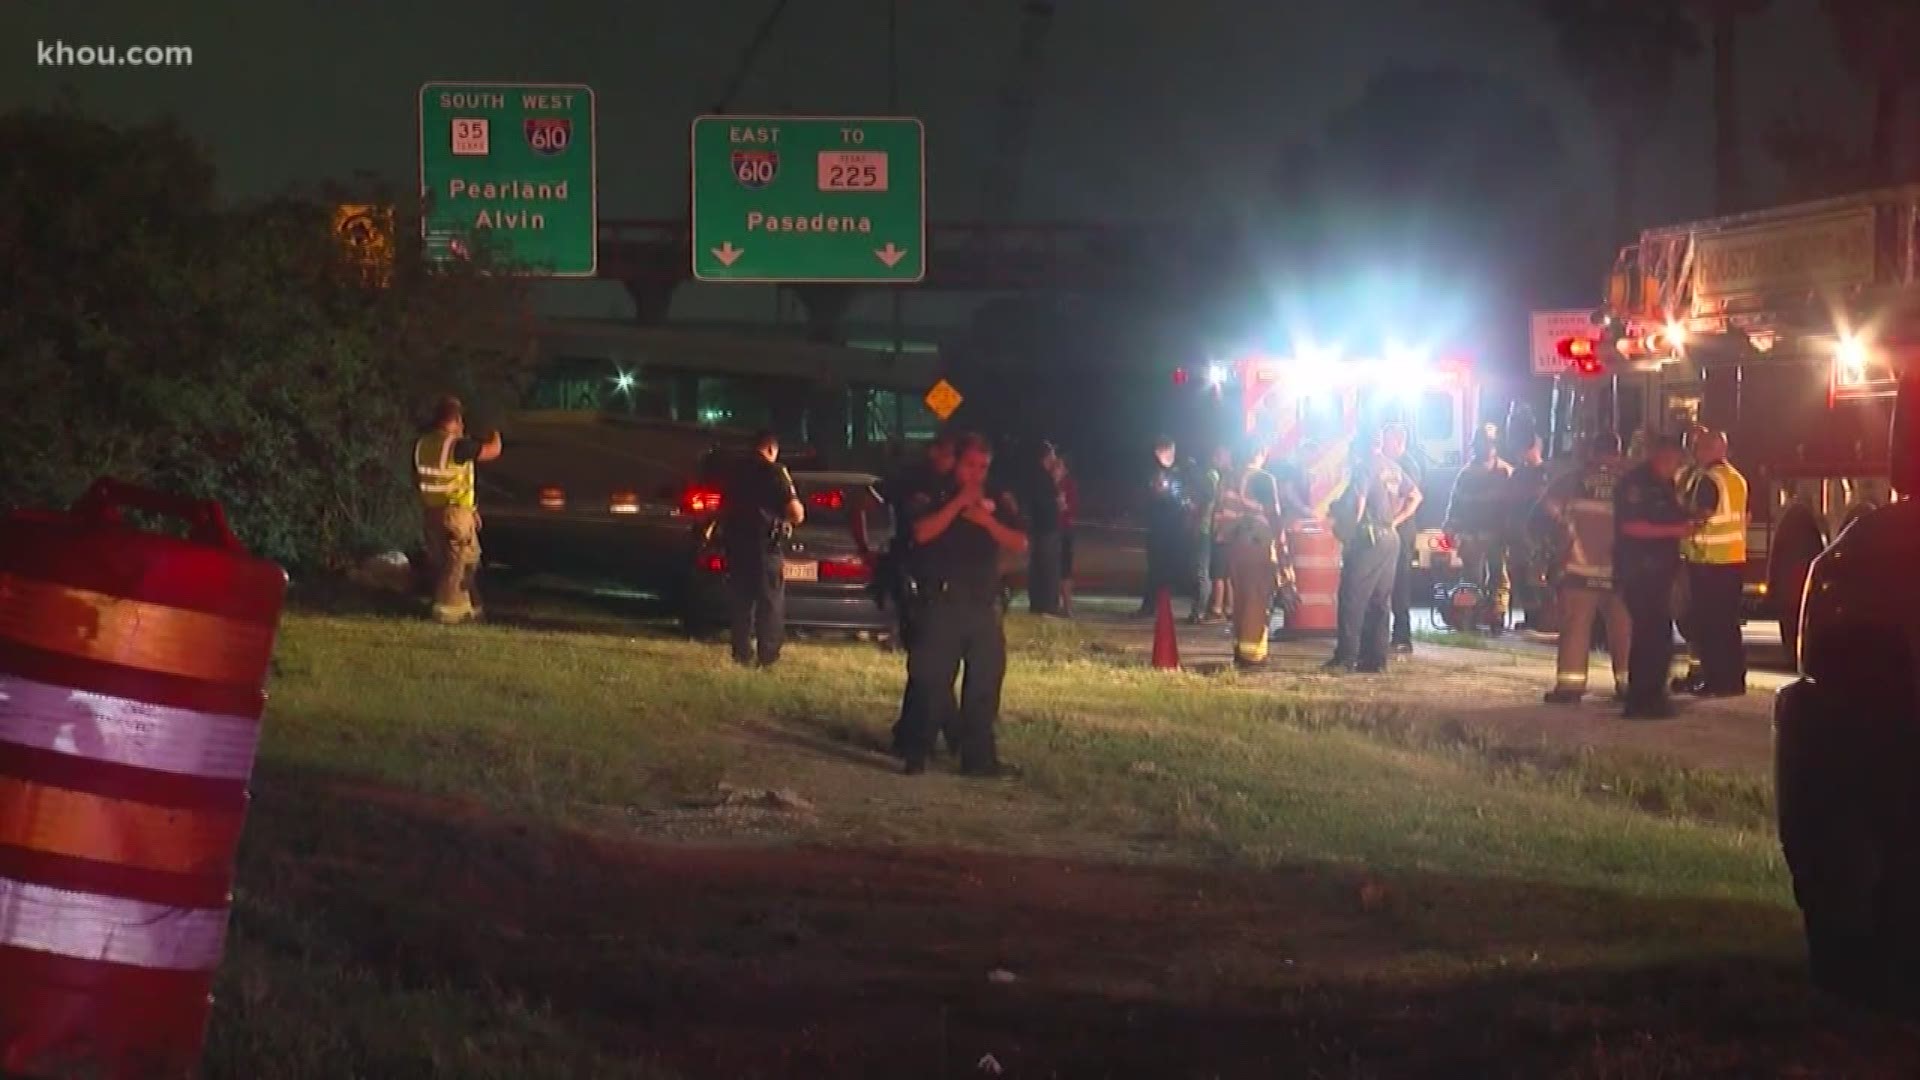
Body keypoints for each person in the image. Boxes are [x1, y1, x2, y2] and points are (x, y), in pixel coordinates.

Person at [898, 433, 1029, 777]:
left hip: (982, 604)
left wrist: (987, 520)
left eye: (983, 467)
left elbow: (1019, 541)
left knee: (985, 683)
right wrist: (958, 504)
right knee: (931, 681)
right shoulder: (934, 492)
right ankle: (916, 751)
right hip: (942, 601)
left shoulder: (997, 498)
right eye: (970, 465)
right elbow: (921, 532)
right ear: (956, 462)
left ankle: (979, 758)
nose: (976, 473)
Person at [870, 433, 959, 755]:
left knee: (931, 665)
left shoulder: (939, 484)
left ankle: (925, 733)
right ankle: (933, 736)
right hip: (914, 584)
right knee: (928, 664)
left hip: (924, 582)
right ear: (935, 452)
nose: (953, 463)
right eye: (950, 455)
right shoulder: (919, 485)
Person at [1540, 432, 1632, 704]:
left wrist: (1562, 533)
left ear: (1591, 451)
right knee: (1624, 629)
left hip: (1579, 568)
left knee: (1576, 628)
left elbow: (1545, 510)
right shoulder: (1631, 483)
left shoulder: (1571, 480)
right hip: (1621, 571)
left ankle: (1570, 687)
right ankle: (1628, 685)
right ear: (1618, 451)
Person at [1613, 434, 1698, 719]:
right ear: (1661, 457)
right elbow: (1632, 526)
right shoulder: (1636, 484)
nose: (1676, 467)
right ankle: (1641, 700)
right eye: (1674, 461)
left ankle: (1655, 696)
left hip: (1661, 571)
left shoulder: (1665, 485)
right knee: (1648, 636)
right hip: (1639, 571)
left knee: (1660, 636)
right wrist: (1674, 531)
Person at [1327, 437, 1418, 674]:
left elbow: (1358, 502)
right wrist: (1394, 522)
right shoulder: (1393, 468)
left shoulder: (1365, 466)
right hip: (1390, 537)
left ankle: (1345, 658)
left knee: (1352, 597)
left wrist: (1349, 534)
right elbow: (1416, 496)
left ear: (1360, 448)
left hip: (1368, 538)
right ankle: (1375, 660)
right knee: (1380, 601)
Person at [717, 430, 805, 668]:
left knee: (741, 602)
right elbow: (796, 514)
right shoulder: (775, 472)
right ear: (771, 449)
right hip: (765, 546)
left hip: (736, 544)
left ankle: (741, 653)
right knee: (770, 602)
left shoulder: (734, 471)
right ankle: (767, 656)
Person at [413, 395, 502, 624]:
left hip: (432, 512)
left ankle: (471, 607)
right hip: (454, 514)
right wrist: (493, 431)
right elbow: (492, 451)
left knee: (464, 559)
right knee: (458, 562)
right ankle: (447, 609)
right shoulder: (455, 445)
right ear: (455, 420)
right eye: (461, 421)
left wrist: (472, 510)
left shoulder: (424, 443)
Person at [1675, 429, 1749, 697]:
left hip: (1708, 562)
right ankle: (1733, 681)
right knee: (1728, 626)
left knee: (1710, 626)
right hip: (1732, 560)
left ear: (1710, 450)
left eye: (1700, 448)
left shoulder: (1709, 479)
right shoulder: (1736, 478)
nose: (1696, 452)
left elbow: (1702, 514)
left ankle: (1716, 681)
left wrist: (1681, 525)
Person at [1213, 442, 1283, 669]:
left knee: (1241, 599)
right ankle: (1252, 657)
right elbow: (1274, 517)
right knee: (1256, 600)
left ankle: (1240, 651)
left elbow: (1221, 515)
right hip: (1257, 545)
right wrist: (1283, 549)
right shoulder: (1263, 479)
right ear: (1261, 453)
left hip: (1235, 546)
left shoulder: (1228, 478)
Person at [1444, 430, 1514, 633]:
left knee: (1499, 578)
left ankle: (1496, 617)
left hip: (1498, 536)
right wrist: (1450, 530)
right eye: (1482, 444)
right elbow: (1455, 505)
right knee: (1471, 579)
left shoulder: (1506, 473)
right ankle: (1468, 619)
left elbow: (1513, 506)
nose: (1486, 448)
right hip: (1472, 536)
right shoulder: (1466, 475)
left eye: (1489, 444)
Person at [1379, 423, 1425, 654]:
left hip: (1402, 532)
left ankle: (1402, 637)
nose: (1382, 446)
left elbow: (1410, 498)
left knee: (1400, 585)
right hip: (1391, 531)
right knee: (1387, 584)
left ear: (1398, 442)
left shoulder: (1407, 465)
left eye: (1386, 441)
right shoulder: (1387, 464)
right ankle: (1387, 634)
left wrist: (1393, 522)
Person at [1139, 437, 1192, 616]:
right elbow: (1152, 495)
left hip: (1174, 527)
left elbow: (1184, 494)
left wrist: (1186, 503)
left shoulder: (1181, 471)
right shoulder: (1153, 471)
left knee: (1168, 568)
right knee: (1156, 568)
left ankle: (1161, 604)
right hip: (1158, 527)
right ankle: (1150, 606)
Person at [1505, 436, 1552, 631]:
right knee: (1519, 576)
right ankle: (1529, 617)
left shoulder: (1545, 472)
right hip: (1518, 532)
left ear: (1535, 449)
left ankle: (1541, 620)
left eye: (1526, 449)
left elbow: (1543, 498)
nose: (1522, 453)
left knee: (1536, 578)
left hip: (1537, 534)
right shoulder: (1518, 473)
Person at [1024, 441, 1065, 616]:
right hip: (1047, 528)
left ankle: (1038, 604)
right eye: (1053, 454)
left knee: (1037, 567)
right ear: (1046, 457)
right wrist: (1056, 481)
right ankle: (1047, 605)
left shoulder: (1033, 475)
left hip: (1037, 527)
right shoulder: (1045, 478)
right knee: (1048, 569)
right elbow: (1057, 504)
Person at [1193, 445, 1233, 622]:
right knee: (1224, 572)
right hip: (1225, 529)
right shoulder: (1231, 477)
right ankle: (1227, 608)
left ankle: (1202, 611)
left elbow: (1207, 503)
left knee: (1207, 572)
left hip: (1209, 528)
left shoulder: (1211, 476)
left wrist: (1195, 521)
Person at [1049, 450, 1079, 616]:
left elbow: (1073, 509)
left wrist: (1063, 505)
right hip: (1051, 530)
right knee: (1052, 568)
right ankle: (1054, 603)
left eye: (1059, 466)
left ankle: (1068, 606)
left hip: (1064, 530)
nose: (1055, 469)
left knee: (1065, 569)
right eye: (1054, 465)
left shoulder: (1068, 485)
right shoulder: (1047, 484)